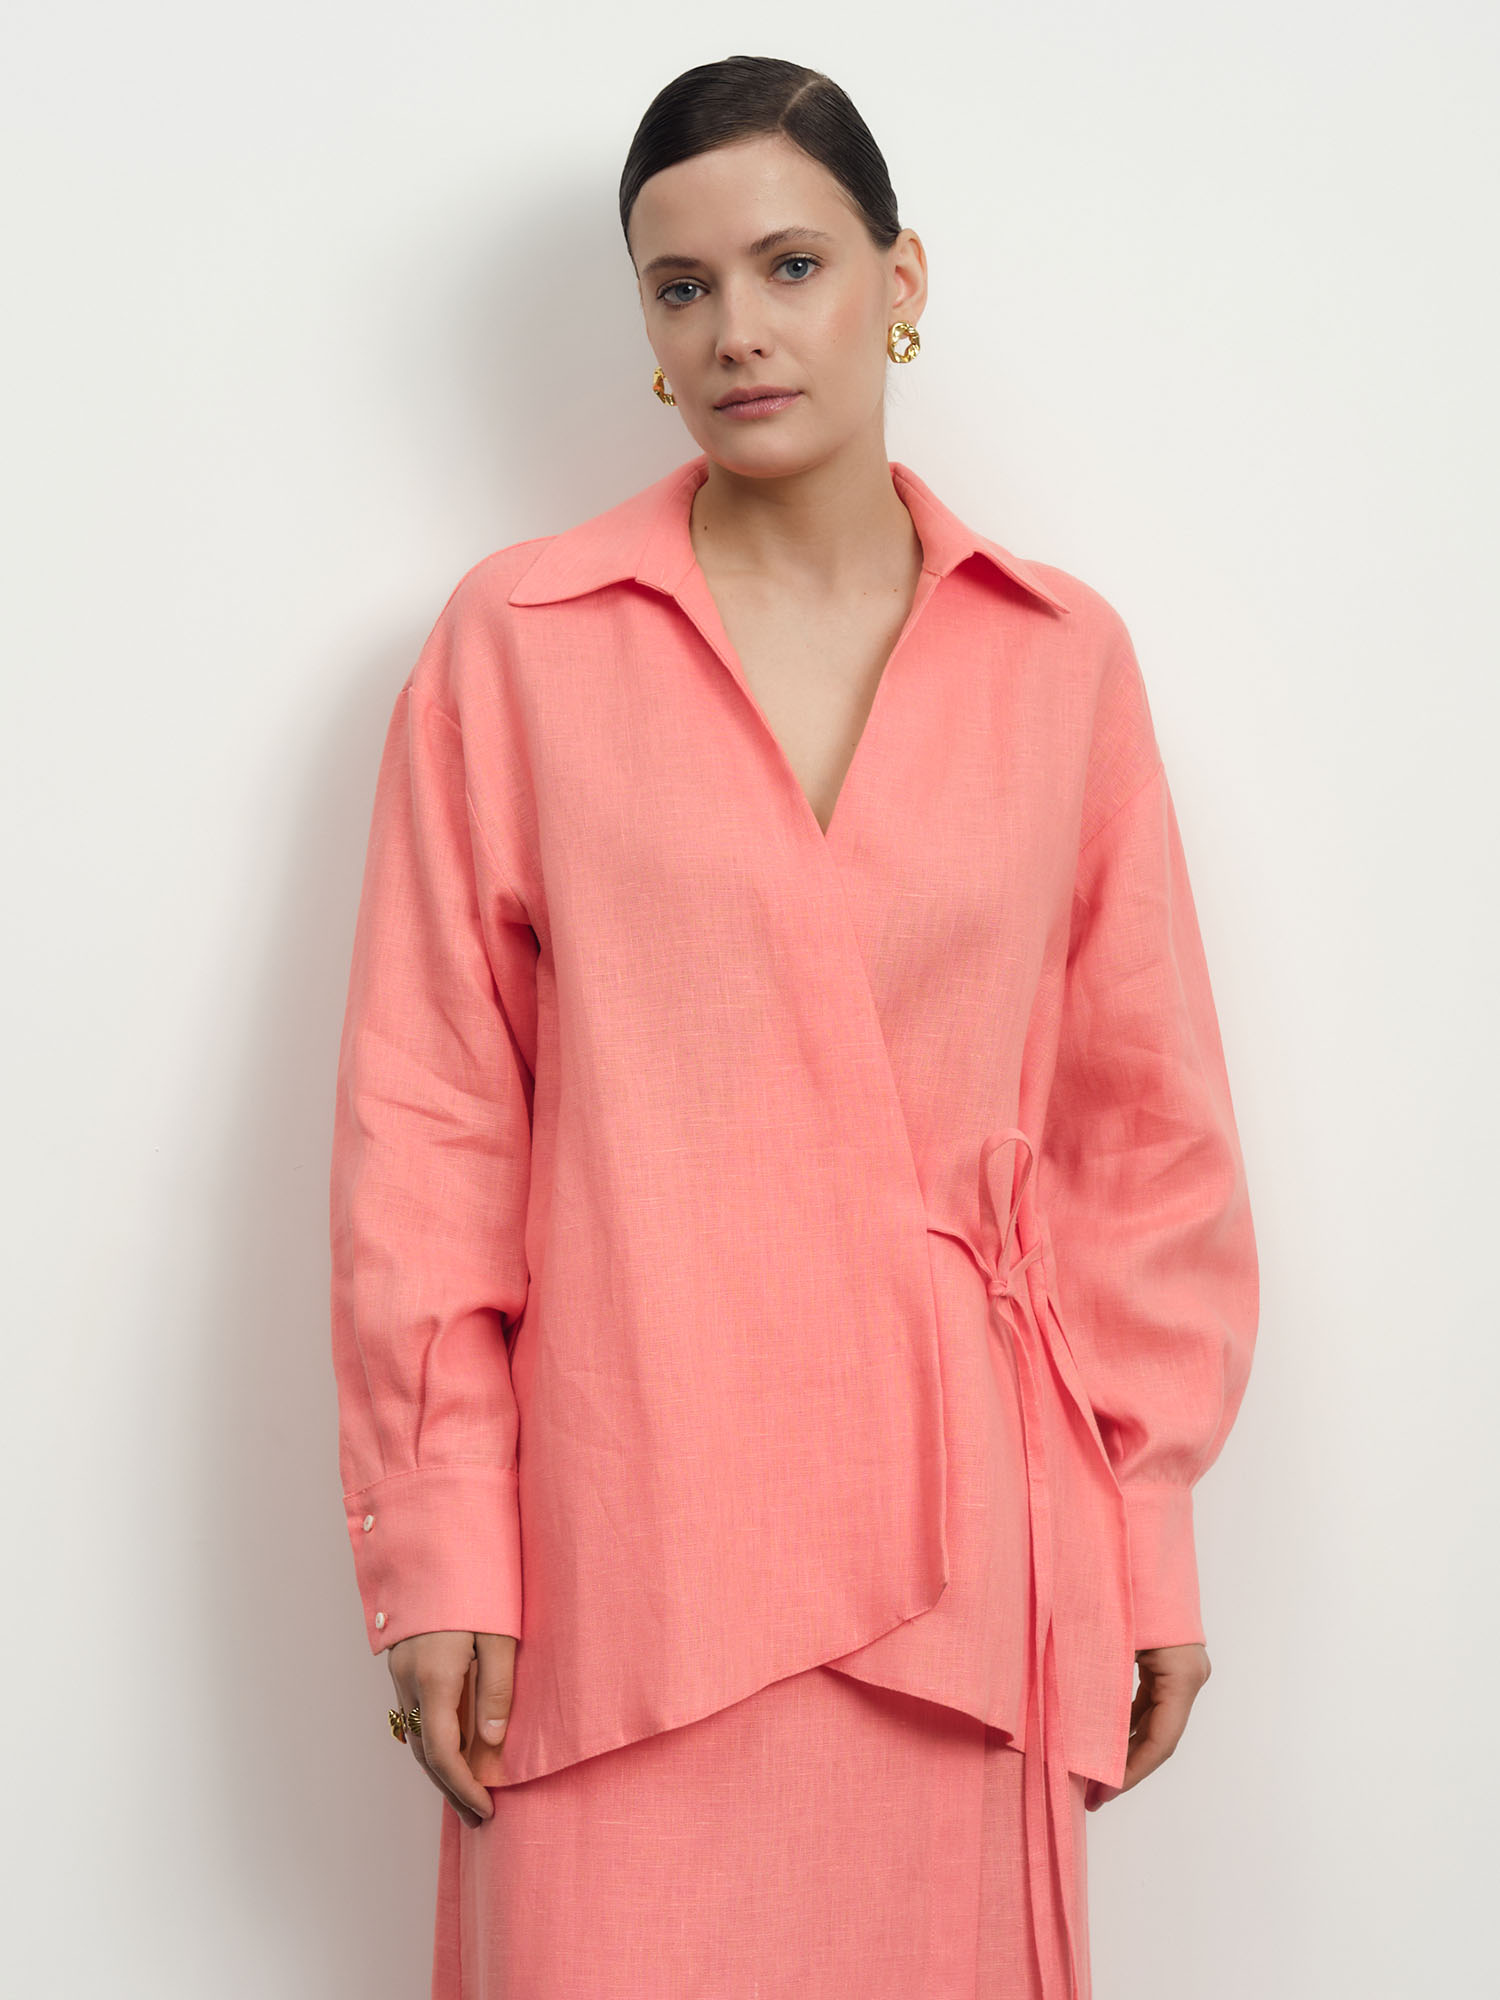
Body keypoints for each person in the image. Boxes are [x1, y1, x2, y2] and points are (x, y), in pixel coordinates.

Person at [328, 53, 1259, 2000]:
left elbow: (1145, 1140)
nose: (737, 328)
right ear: (647, 329)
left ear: (899, 279)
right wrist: (443, 1538)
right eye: (681, 287)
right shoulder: (522, 643)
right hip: (622, 1550)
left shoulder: (1061, 662)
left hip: (970, 1559)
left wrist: (1144, 1526)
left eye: (791, 265)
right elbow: (429, 1128)